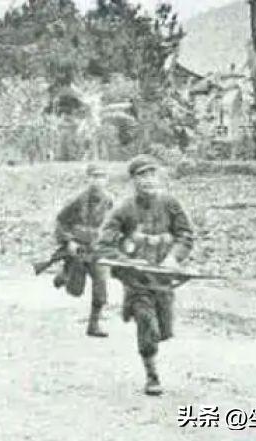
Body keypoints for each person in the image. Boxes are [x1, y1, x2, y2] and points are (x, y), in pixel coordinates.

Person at [94, 154, 194, 396]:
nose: (148, 180)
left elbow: (185, 235)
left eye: (152, 174)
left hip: (163, 279)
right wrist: (128, 262)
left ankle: (152, 345)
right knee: (147, 324)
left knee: (163, 331)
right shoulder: (123, 209)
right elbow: (104, 245)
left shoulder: (170, 204)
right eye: (142, 176)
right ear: (133, 180)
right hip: (137, 280)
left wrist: (174, 258)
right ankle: (152, 375)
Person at [52, 163, 115, 337]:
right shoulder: (77, 200)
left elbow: (112, 224)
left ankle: (93, 325)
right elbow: (61, 221)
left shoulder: (109, 200)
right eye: (95, 177)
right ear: (88, 179)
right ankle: (65, 274)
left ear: (107, 180)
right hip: (78, 247)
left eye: (102, 177)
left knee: (101, 283)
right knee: (75, 291)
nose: (98, 181)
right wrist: (69, 241)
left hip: (96, 248)